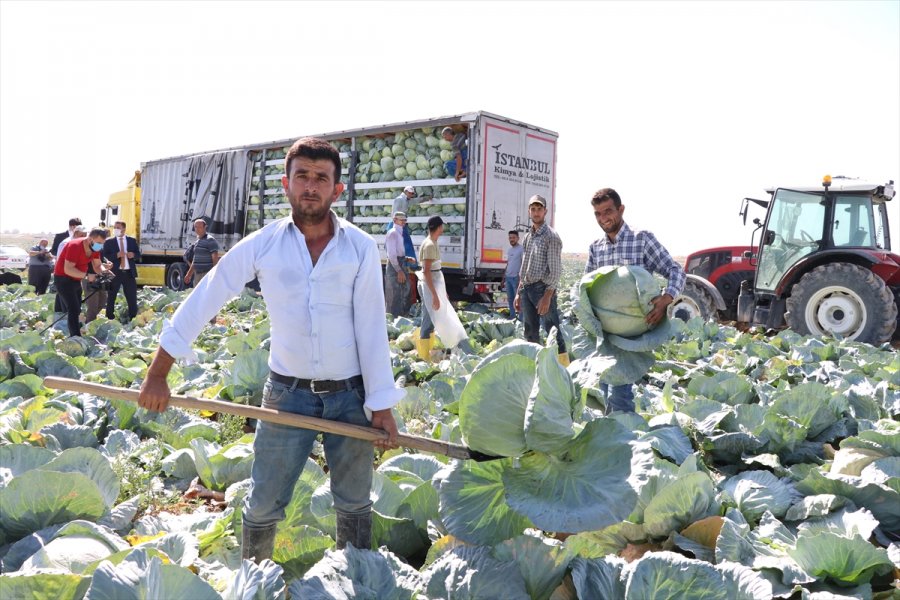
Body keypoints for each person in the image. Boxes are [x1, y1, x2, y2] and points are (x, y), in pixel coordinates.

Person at [138, 137, 401, 563]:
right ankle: (254, 580)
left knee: (354, 503)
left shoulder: (359, 247)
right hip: (286, 395)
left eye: (321, 178)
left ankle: (356, 578)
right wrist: (158, 372)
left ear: (337, 190)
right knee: (262, 504)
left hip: (350, 397)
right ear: (286, 184)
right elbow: (208, 294)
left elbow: (372, 327)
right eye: (302, 176)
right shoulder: (263, 244)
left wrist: (381, 404)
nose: (310, 186)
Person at [586, 188, 686, 413]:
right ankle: (614, 427)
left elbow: (675, 270)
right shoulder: (596, 247)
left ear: (621, 209)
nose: (603, 218)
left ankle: (623, 430)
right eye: (598, 214)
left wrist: (666, 298)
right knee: (603, 389)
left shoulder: (642, 239)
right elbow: (584, 288)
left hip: (631, 334)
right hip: (604, 332)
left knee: (619, 395)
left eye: (608, 211)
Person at [515, 195, 568, 365]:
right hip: (527, 288)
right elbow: (524, 267)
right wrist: (519, 292)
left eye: (539, 209)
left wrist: (547, 296)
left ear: (545, 211)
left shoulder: (551, 236)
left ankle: (564, 368)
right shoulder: (528, 237)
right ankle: (534, 365)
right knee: (530, 331)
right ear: (529, 212)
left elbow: (555, 270)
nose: (536, 212)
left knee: (552, 330)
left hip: (542, 290)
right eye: (533, 209)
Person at [416, 215, 473, 359]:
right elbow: (427, 272)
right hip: (429, 286)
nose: (443, 229)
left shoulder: (433, 242)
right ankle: (424, 356)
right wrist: (435, 295)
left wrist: (443, 292)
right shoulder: (429, 245)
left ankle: (427, 354)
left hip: (433, 285)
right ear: (438, 227)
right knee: (428, 319)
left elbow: (435, 273)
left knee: (431, 319)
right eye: (442, 226)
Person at [53, 227, 110, 337]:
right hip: (63, 279)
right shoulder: (74, 246)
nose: (100, 246)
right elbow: (68, 269)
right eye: (98, 243)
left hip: (76, 279)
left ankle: (75, 331)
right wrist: (87, 275)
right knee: (73, 308)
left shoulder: (94, 248)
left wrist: (105, 272)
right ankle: (75, 336)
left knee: (77, 308)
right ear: (90, 239)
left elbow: (97, 265)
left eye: (102, 244)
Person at [104, 220, 141, 322]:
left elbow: (138, 254)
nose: (115, 229)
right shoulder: (109, 242)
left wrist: (133, 255)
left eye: (118, 227)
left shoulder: (132, 241)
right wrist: (116, 255)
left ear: (124, 229)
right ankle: (109, 317)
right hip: (115, 273)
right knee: (111, 296)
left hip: (129, 273)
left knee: (132, 296)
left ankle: (133, 318)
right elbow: (104, 256)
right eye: (115, 227)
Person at [51, 218, 82, 313]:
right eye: (74, 226)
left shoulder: (81, 238)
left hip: (74, 272)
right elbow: (54, 251)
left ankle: (62, 313)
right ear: (70, 226)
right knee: (62, 293)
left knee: (68, 296)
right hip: (62, 270)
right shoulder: (61, 237)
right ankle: (60, 313)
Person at [384, 211, 410, 317]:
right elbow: (391, 254)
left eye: (405, 220)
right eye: (401, 219)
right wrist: (399, 270)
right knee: (394, 295)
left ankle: (400, 318)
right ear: (395, 220)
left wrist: (407, 259)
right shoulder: (393, 233)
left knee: (403, 294)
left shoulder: (399, 233)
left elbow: (398, 252)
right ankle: (392, 320)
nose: (403, 222)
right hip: (395, 266)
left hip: (400, 263)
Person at [390, 185, 421, 271]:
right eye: (410, 193)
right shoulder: (399, 199)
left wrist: (426, 198)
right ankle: (412, 265)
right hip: (397, 225)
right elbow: (394, 213)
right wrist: (398, 224)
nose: (411, 195)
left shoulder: (407, 200)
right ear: (406, 192)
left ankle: (411, 265)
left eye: (412, 193)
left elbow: (416, 200)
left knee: (406, 244)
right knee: (406, 244)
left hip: (401, 224)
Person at [183, 218, 219, 287]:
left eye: (199, 227)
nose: (197, 229)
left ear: (205, 227)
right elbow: (195, 260)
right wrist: (189, 274)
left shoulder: (210, 240)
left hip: (207, 274)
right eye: (195, 227)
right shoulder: (197, 242)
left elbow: (215, 258)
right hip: (197, 274)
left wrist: (214, 273)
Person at [505, 230, 524, 320]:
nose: (511, 239)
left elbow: (523, 263)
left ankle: (521, 318)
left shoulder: (521, 249)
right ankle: (512, 316)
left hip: (516, 278)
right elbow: (508, 263)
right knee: (510, 298)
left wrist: (520, 278)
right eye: (510, 238)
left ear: (518, 238)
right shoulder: (509, 250)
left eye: (513, 237)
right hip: (508, 277)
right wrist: (503, 278)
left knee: (519, 299)